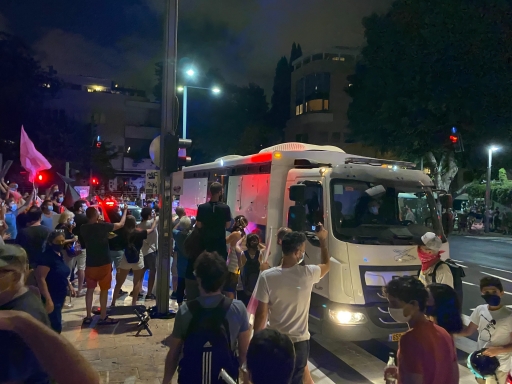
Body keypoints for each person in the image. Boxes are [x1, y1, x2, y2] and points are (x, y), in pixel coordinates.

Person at [254, 225, 330, 384]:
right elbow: (327, 265)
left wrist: (256, 341)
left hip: (277, 342)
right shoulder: (308, 274)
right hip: (300, 342)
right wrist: (323, 241)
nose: (303, 253)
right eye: (303, 250)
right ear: (297, 253)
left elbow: (261, 314)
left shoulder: (267, 276)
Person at [162, 251, 251, 384]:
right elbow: (244, 353)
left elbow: (174, 352)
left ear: (198, 278)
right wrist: (247, 381)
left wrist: (166, 380)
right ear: (223, 278)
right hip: (224, 379)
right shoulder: (238, 309)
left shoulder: (185, 311)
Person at [385, 276, 458, 383]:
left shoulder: (410, 339)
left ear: (414, 304)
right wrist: (401, 373)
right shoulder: (443, 333)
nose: (390, 308)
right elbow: (453, 375)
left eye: (394, 303)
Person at [0, 244, 52, 384]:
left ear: (15, 276)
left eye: (1, 272)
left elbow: (11, 377)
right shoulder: (18, 299)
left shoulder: (21, 313)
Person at [457, 276, 512, 383]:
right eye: (486, 292)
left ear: (501, 292)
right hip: (481, 361)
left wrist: (499, 350)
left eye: (494, 291)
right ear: (482, 293)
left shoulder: (509, 316)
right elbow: (468, 331)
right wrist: (448, 332)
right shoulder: (480, 310)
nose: (490, 295)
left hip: (500, 365)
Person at [80, 206, 127, 325]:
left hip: (90, 263)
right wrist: (125, 211)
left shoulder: (83, 228)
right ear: (96, 215)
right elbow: (121, 224)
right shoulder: (103, 226)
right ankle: (103, 316)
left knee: (90, 290)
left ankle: (88, 316)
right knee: (104, 290)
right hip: (104, 263)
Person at [111, 215, 158, 306]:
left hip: (126, 258)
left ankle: (113, 302)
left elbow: (110, 235)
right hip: (138, 257)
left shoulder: (122, 233)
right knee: (137, 281)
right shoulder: (139, 232)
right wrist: (155, 221)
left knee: (119, 282)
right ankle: (133, 303)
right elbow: (151, 230)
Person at [34, 230, 75, 333]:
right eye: (58, 241)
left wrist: (69, 285)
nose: (61, 244)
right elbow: (41, 278)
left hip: (60, 294)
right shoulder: (47, 257)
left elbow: (61, 272)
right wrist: (48, 299)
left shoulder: (59, 254)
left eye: (62, 241)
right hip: (52, 294)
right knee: (54, 325)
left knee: (57, 320)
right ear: (51, 242)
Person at [196, 182, 232, 260]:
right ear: (220, 192)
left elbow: (198, 225)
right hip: (220, 243)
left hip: (205, 242)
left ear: (210, 192)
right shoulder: (225, 208)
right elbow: (227, 225)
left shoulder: (202, 207)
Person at [225, 215, 248, 300]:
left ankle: (231, 307)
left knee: (230, 290)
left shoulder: (235, 234)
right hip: (240, 266)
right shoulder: (245, 235)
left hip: (232, 266)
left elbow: (224, 241)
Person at [138, 207, 158, 300]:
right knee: (152, 272)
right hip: (151, 251)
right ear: (149, 215)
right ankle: (149, 293)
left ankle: (138, 290)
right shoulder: (152, 223)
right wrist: (155, 216)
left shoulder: (139, 225)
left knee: (141, 272)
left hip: (142, 251)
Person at [172, 216, 192, 306]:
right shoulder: (191, 235)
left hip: (181, 263)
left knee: (180, 284)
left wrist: (179, 224)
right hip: (190, 263)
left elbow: (172, 229)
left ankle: (180, 304)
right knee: (190, 285)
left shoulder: (177, 235)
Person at [71, 200, 88, 295]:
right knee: (81, 267)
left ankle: (69, 287)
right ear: (80, 208)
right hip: (82, 245)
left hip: (71, 245)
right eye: (84, 206)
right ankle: (80, 289)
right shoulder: (85, 218)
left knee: (71, 267)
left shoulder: (71, 217)